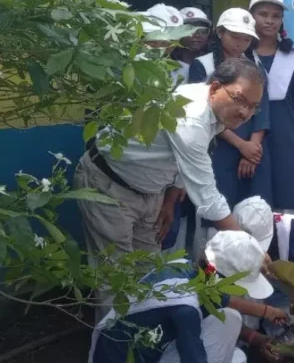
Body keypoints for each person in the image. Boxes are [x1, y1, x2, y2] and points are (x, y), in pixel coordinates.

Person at [75, 58, 265, 319]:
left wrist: (169, 201)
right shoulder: (192, 116)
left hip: (150, 190)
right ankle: (114, 348)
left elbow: (180, 160)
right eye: (240, 99)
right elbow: (208, 197)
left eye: (253, 107)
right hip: (110, 185)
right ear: (214, 88)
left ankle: (145, 342)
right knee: (115, 279)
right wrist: (250, 247)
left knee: (148, 271)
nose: (245, 113)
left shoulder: (216, 112)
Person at [89, 230, 287, 363]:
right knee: (236, 355)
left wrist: (266, 315)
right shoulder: (186, 311)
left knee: (232, 334)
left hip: (116, 347)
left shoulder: (188, 269)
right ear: (227, 280)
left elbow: (223, 298)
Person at [188, 9, 272, 255]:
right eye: (235, 36)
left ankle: (249, 265)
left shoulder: (256, 66)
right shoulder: (202, 65)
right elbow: (207, 109)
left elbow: (262, 110)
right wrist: (240, 145)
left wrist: (252, 147)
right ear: (220, 33)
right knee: (215, 204)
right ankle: (210, 270)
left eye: (246, 39)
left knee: (253, 209)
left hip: (253, 151)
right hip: (218, 146)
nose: (240, 43)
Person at [248, 0, 294, 229]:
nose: (269, 21)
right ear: (252, 17)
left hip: (287, 134)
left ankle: (291, 258)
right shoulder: (242, 55)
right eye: (263, 14)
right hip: (250, 133)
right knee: (254, 194)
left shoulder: (293, 56)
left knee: (290, 190)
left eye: (276, 16)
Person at [233, 196, 294, 344]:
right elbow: (214, 283)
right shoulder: (221, 240)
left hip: (278, 292)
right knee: (232, 321)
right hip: (242, 293)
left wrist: (276, 272)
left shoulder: (288, 228)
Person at [170, 6, 212, 84]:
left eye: (202, 31)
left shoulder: (212, 63)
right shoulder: (167, 64)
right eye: (189, 29)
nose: (197, 35)